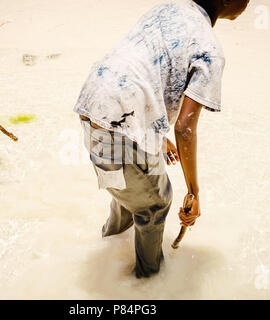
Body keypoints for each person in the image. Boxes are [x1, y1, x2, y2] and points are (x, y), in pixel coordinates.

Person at [74, 0, 250, 278]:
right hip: (122, 120)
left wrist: (151, 131)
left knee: (130, 192)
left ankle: (108, 249)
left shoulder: (168, 9)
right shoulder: (210, 50)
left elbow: (142, 70)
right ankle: (146, 287)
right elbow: (185, 128)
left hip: (92, 104)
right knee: (155, 205)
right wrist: (194, 192)